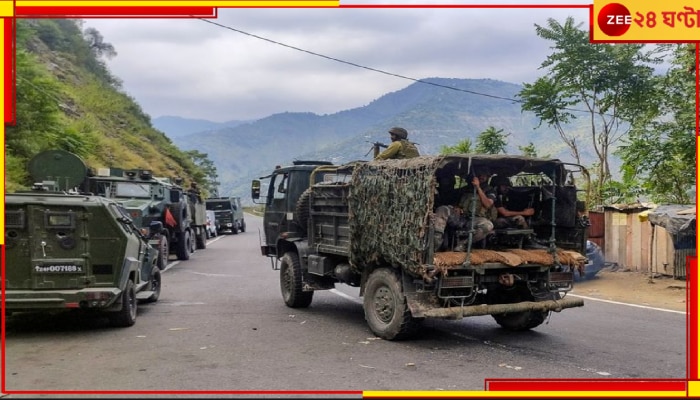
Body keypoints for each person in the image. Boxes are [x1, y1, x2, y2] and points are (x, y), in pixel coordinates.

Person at [433, 169, 496, 251]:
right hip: (460, 218)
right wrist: (457, 207)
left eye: (484, 175)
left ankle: (464, 244)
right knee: (443, 209)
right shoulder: (464, 189)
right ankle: (436, 242)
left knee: (488, 226)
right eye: (480, 174)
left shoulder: (490, 190)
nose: (482, 176)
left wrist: (478, 188)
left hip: (475, 220)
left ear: (488, 177)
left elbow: (488, 204)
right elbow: (453, 202)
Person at [490, 174, 545, 249]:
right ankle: (529, 241)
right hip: (492, 221)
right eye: (504, 186)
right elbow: (504, 213)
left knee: (518, 220)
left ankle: (527, 239)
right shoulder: (493, 195)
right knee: (520, 219)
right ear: (497, 186)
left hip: (496, 220)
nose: (506, 188)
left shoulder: (501, 196)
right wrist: (524, 213)